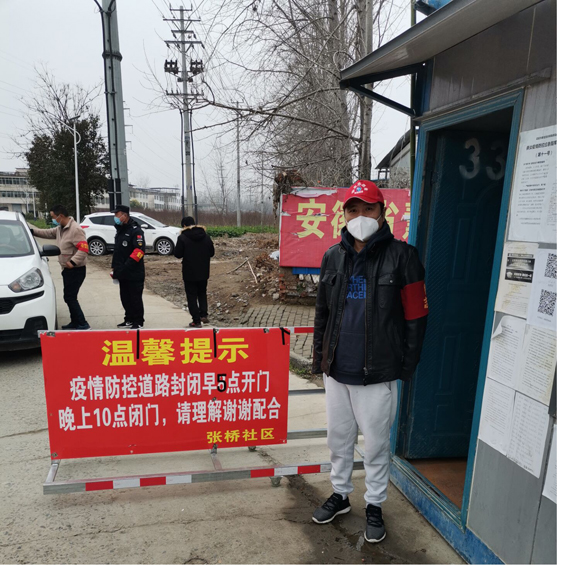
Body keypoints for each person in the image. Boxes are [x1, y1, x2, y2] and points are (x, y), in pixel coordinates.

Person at [312, 180, 428, 543]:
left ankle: (375, 504)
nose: (360, 216)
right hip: (337, 370)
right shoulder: (333, 256)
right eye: (353, 210)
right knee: (338, 439)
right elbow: (322, 313)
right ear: (344, 214)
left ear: (382, 212)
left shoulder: (403, 257)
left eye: (368, 209)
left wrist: (406, 365)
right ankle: (340, 494)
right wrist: (319, 359)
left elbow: (416, 317)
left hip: (377, 373)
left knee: (376, 445)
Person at [29, 204, 90, 330]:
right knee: (69, 297)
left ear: (60, 216)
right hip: (67, 270)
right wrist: (32, 231)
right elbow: (47, 233)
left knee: (70, 297)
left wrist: (72, 262)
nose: (53, 219)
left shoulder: (75, 229)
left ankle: (83, 324)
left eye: (53, 217)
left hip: (76, 270)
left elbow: (84, 248)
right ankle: (75, 322)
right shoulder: (60, 229)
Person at [174, 216, 215, 328]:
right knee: (202, 293)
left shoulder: (182, 238)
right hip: (203, 271)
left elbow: (178, 254)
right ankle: (203, 315)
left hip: (189, 272)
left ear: (184, 226)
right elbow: (212, 253)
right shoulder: (205, 236)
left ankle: (196, 321)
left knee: (191, 296)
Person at [110, 205, 145, 329]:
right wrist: (115, 267)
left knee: (135, 298)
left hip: (134, 272)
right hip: (122, 271)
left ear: (124, 216)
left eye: (117, 215)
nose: (115, 217)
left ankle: (138, 321)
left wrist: (126, 266)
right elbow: (118, 251)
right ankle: (129, 319)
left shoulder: (136, 231)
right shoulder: (120, 230)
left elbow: (139, 251)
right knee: (125, 297)